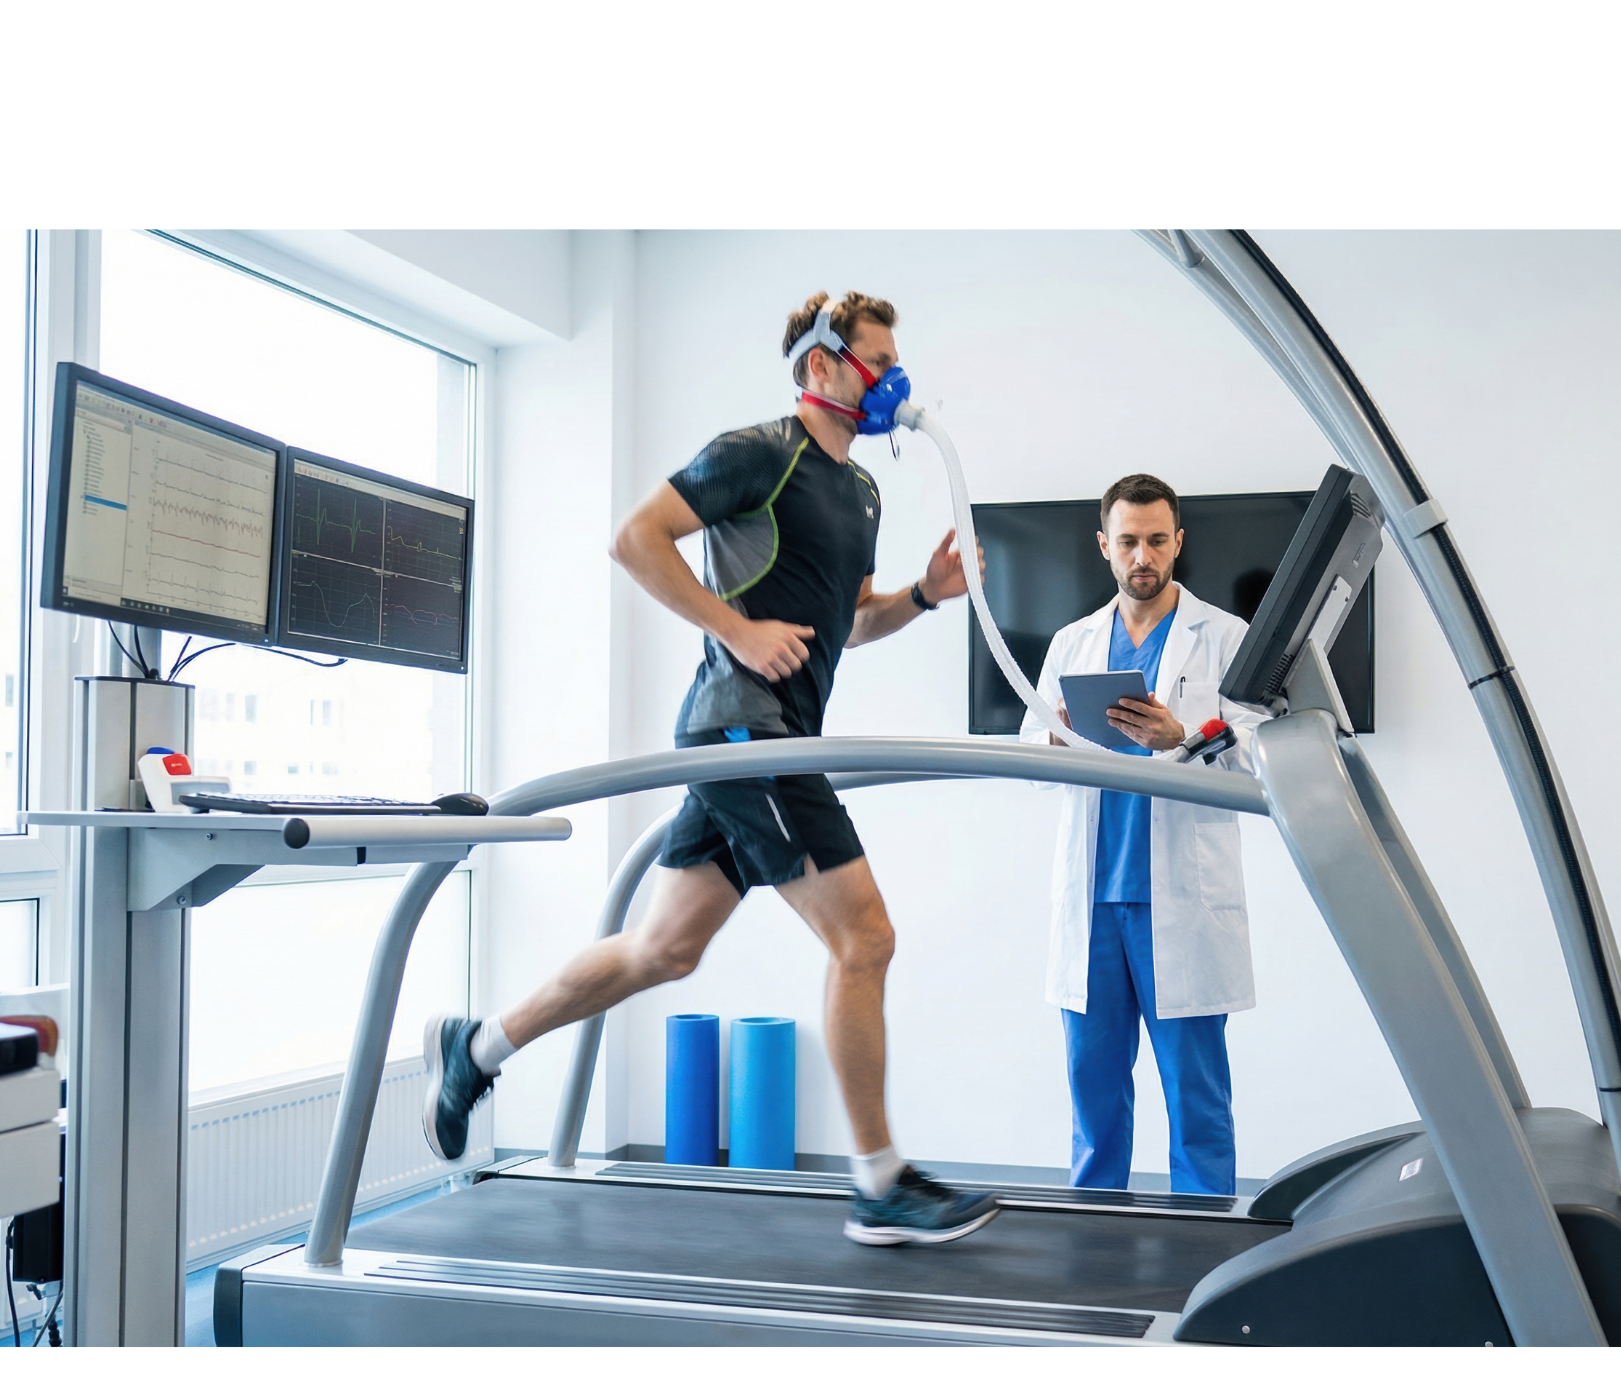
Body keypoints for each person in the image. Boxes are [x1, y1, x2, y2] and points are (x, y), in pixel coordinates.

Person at [422, 290, 1000, 1246]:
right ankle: (878, 1184)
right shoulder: (755, 454)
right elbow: (633, 538)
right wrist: (734, 628)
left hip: (767, 740)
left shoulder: (861, 492)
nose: (893, 378)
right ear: (821, 365)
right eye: (876, 359)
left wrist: (925, 597)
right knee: (867, 939)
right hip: (747, 732)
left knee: (663, 951)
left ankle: (477, 1046)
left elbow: (851, 622)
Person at [1020, 474, 1261, 1195]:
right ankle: (1098, 1254)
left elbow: (1262, 758)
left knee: (1197, 1104)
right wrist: (1060, 740)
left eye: (1157, 540)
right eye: (1128, 541)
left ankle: (1205, 1258)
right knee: (1094, 1101)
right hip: (1094, 904)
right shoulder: (1073, 642)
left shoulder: (1224, 639)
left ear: (1179, 542)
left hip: (1179, 904)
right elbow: (1029, 753)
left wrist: (1181, 735)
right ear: (1104, 546)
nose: (1143, 556)